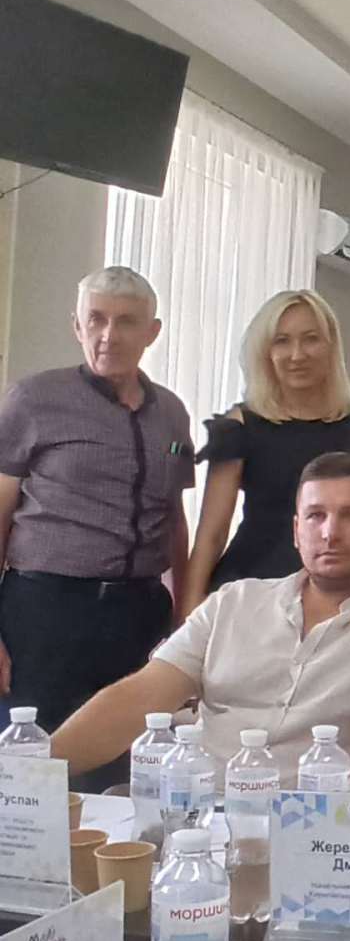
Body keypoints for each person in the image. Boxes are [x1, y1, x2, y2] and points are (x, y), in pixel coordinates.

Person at [50, 453, 350, 786]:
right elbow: (137, 698)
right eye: (315, 516)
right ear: (296, 531)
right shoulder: (233, 603)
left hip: (331, 829)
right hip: (204, 813)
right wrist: (34, 772)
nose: (330, 533)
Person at [0, 266, 193, 788]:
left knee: (129, 769)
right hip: (45, 612)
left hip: (138, 613)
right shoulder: (33, 400)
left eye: (126, 322)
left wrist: (183, 616)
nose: (109, 335)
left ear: (152, 332)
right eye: (97, 319)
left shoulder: (172, 414)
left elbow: (174, 519)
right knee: (34, 771)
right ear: (77, 326)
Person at [181, 289, 350, 614]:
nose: (297, 355)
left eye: (310, 339)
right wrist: (187, 617)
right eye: (281, 341)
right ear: (266, 351)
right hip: (253, 590)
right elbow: (211, 535)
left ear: (330, 346)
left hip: (345, 591)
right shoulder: (240, 426)